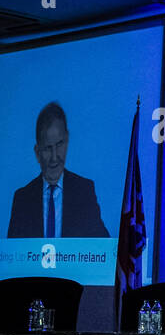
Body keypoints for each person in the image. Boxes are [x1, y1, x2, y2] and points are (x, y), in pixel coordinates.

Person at [7, 102, 109, 239]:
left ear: (67, 141)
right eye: (48, 148)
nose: (54, 157)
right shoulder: (22, 200)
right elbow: (13, 257)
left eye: (59, 144)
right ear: (37, 153)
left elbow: (102, 249)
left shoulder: (84, 192)